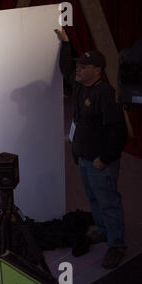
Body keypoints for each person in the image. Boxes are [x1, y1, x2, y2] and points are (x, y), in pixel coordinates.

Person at [55, 28, 128, 269]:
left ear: (97, 70)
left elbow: (119, 132)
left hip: (99, 161)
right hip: (84, 158)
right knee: (94, 199)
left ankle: (117, 246)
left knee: (108, 202)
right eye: (79, 65)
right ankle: (104, 231)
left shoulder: (105, 94)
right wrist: (65, 43)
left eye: (84, 67)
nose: (78, 69)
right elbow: (66, 68)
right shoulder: (79, 85)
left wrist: (105, 159)